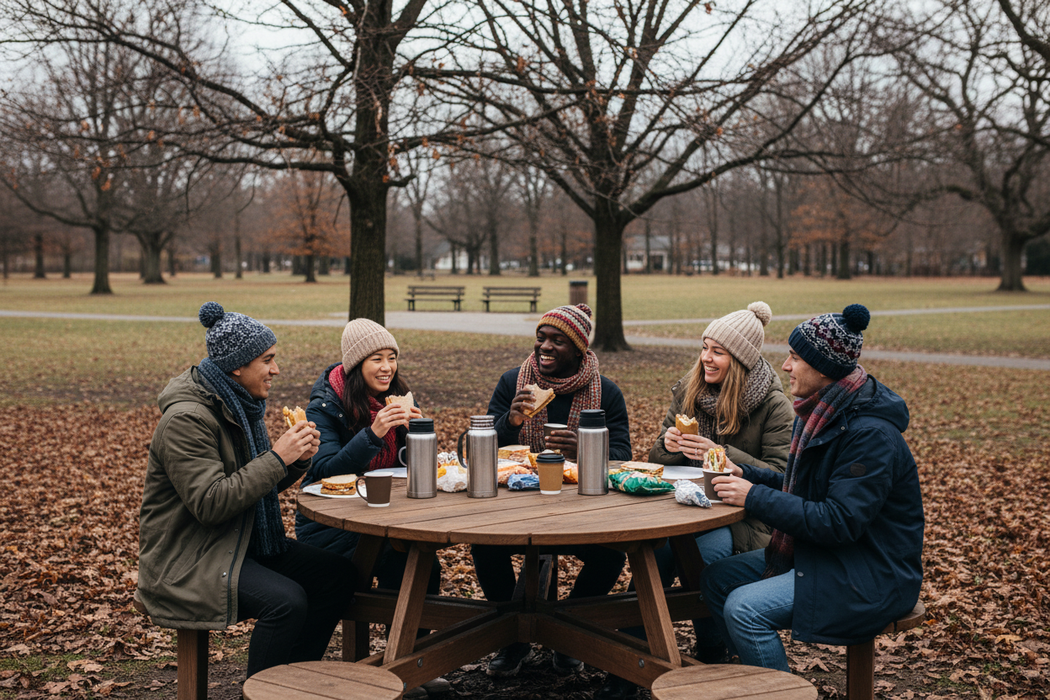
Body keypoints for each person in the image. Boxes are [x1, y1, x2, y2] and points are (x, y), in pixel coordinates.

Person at [700, 304, 924, 672]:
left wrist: (752, 497)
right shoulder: (821, 413)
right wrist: (748, 474)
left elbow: (838, 521)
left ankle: (774, 693)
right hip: (824, 555)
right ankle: (751, 684)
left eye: (794, 358)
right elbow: (804, 488)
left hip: (869, 571)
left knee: (744, 608)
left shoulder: (869, 435)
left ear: (822, 368)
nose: (785, 366)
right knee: (716, 579)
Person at [138, 302, 356, 680]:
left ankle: (292, 680)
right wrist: (277, 457)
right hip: (192, 557)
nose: (276, 370)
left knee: (338, 575)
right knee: (286, 602)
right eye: (267, 360)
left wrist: (296, 460)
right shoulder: (186, 419)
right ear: (237, 366)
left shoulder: (242, 406)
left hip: (242, 542)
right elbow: (212, 503)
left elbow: (253, 486)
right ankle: (262, 691)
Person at [596, 302, 794, 700]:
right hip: (681, 506)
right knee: (658, 557)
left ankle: (715, 651)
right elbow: (655, 459)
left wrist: (720, 453)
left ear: (738, 360)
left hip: (741, 518)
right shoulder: (691, 390)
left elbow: (782, 477)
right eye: (705, 347)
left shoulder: (773, 406)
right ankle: (627, 670)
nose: (706, 358)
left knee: (704, 558)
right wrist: (668, 445)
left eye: (718, 351)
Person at [472, 303, 632, 678]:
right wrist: (509, 421)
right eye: (541, 338)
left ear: (579, 350)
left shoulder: (605, 392)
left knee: (610, 556)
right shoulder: (514, 382)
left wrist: (586, 447)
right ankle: (512, 638)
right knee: (483, 546)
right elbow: (482, 451)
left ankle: (568, 632)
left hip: (582, 509)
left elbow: (624, 455)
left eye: (558, 341)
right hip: (517, 506)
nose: (545, 346)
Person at [294, 318, 447, 699]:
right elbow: (324, 471)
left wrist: (421, 434)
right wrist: (374, 432)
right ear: (355, 366)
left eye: (391, 357)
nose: (386, 367)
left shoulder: (395, 398)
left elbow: (409, 467)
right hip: (334, 525)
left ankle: (412, 660)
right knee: (401, 560)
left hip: (389, 515)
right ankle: (395, 671)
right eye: (375, 358)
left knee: (425, 564)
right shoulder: (326, 407)